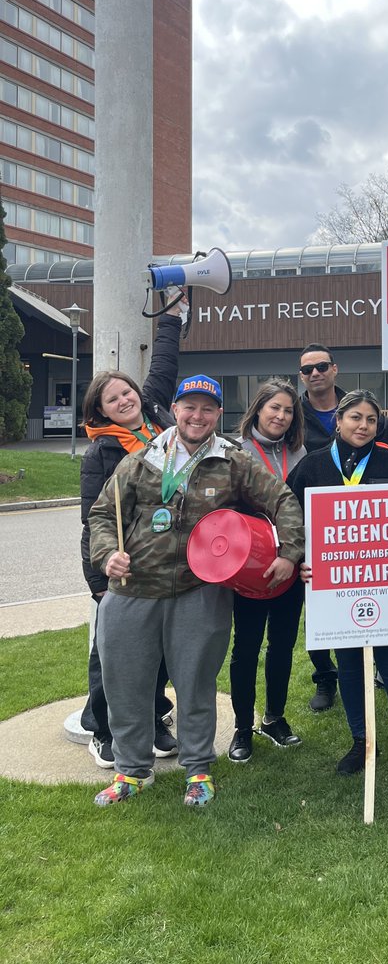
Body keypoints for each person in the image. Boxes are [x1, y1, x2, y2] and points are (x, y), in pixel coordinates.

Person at [88, 375, 303, 808]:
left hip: (199, 590)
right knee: (125, 684)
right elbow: (101, 515)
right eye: (189, 407)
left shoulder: (233, 460)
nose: (197, 416)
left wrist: (291, 551)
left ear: (218, 414)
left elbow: (282, 499)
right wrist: (107, 553)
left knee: (196, 683)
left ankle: (198, 768)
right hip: (132, 588)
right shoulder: (142, 457)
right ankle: (131, 771)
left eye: (207, 409)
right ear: (176, 408)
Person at [288, 389, 388, 796]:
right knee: (350, 668)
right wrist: (299, 559)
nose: (363, 426)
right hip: (335, 591)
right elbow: (289, 521)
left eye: (370, 419)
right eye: (355, 418)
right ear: (338, 421)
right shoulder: (312, 467)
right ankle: (361, 741)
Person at [79, 298, 188, 769]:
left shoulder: (161, 420)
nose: (125, 400)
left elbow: (164, 364)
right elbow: (92, 520)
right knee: (112, 654)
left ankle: (155, 714)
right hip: (121, 567)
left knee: (160, 649)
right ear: (100, 410)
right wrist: (99, 581)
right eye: (113, 399)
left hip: (169, 560)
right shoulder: (103, 452)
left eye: (128, 393)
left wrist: (172, 318)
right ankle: (102, 730)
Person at [297, 342, 388, 713]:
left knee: (370, 605)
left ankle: (380, 669)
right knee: (321, 613)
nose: (315, 374)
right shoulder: (296, 413)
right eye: (307, 370)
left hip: (369, 535)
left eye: (321, 366)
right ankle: (326, 676)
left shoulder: (365, 407)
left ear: (335, 369)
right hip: (323, 534)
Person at [228, 379, 307, 764]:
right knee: (245, 647)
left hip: (291, 563)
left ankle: (274, 718)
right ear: (258, 408)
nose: (281, 416)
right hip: (251, 566)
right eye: (274, 408)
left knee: (282, 645)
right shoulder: (234, 451)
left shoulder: (299, 450)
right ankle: (242, 727)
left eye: (288, 410)